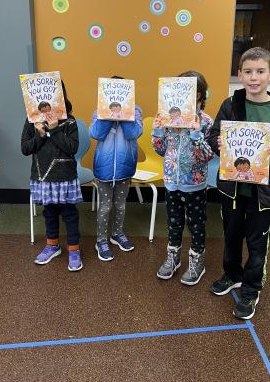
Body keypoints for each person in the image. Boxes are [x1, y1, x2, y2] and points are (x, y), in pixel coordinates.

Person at [207, 47, 270, 319]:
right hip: (233, 188)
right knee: (231, 234)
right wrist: (218, 143)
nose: (254, 77)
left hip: (264, 192)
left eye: (260, 71)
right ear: (239, 75)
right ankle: (232, 274)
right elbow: (214, 134)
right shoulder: (230, 104)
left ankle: (251, 289)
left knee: (257, 242)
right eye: (248, 72)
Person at [153, 71, 214, 285]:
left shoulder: (205, 121)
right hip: (171, 180)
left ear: (198, 95)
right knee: (173, 222)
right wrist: (158, 132)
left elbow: (207, 156)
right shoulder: (169, 118)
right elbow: (161, 151)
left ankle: (197, 260)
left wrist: (196, 135)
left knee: (196, 223)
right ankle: (173, 257)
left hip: (194, 183)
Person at [21, 81, 83, 271]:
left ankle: (74, 250)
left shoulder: (70, 121)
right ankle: (52, 245)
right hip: (43, 176)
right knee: (49, 212)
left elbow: (72, 148)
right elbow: (25, 149)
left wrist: (55, 129)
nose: (46, 106)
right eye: (41, 103)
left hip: (64, 176)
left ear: (60, 97)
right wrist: (39, 134)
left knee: (70, 214)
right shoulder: (32, 121)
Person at [89, 76, 143, 261]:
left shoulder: (135, 111)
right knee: (105, 207)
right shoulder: (99, 112)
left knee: (120, 204)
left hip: (125, 166)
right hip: (103, 169)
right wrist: (107, 116)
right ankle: (101, 240)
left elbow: (134, 133)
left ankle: (117, 233)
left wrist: (125, 114)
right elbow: (95, 133)